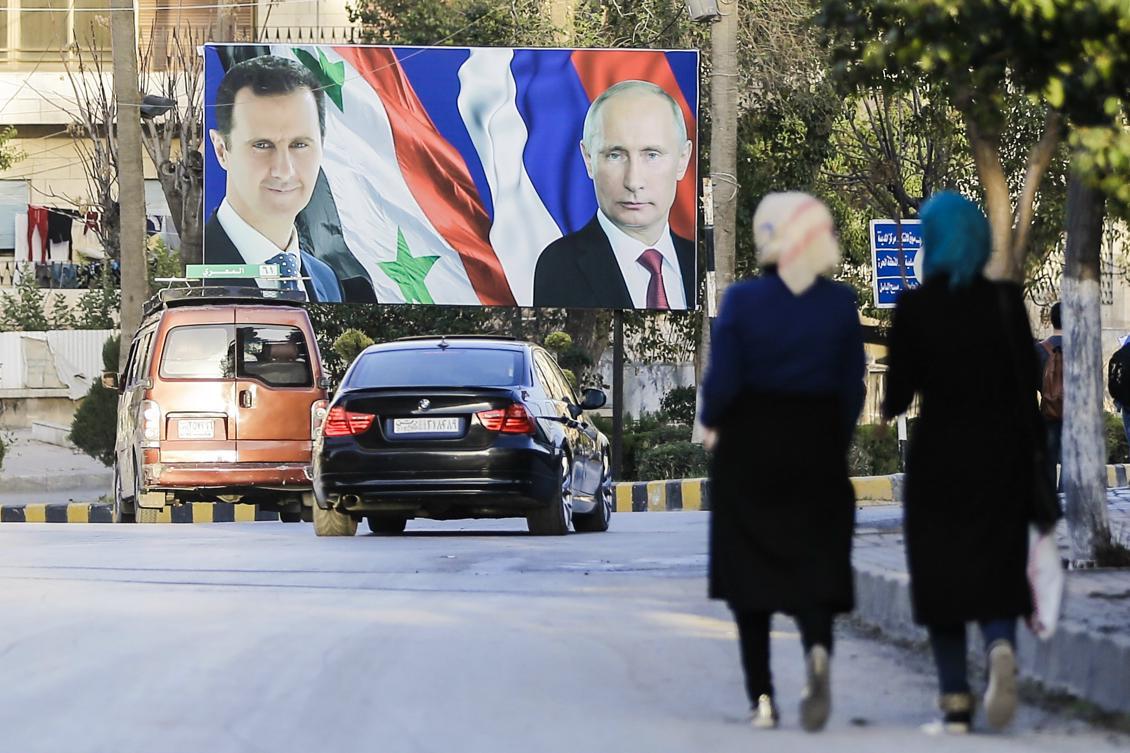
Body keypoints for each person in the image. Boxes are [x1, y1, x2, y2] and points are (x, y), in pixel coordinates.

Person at [699, 192, 865, 732]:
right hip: (817, 446)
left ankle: (763, 699)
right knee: (814, 563)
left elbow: (722, 386)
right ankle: (817, 651)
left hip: (749, 452)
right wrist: (831, 442)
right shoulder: (840, 304)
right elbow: (851, 389)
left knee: (750, 574)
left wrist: (717, 427)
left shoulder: (743, 302)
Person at [882, 191, 1039, 734]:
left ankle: (954, 697)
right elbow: (1029, 385)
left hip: (940, 461)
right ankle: (999, 643)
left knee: (942, 571)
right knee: (998, 564)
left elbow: (897, 395)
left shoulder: (916, 308)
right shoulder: (1005, 302)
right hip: (1003, 458)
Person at [533, 80, 694, 310]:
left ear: (682, 159)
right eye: (615, 155)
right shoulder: (558, 266)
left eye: (652, 155)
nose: (634, 182)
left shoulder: (700, 262)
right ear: (589, 159)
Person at [206, 55, 343, 302]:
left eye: (299, 145)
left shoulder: (326, 280)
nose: (283, 170)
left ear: (322, 147)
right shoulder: (194, 267)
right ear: (221, 151)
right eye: (262, 145)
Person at [1035, 302, 1063, 489]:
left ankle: (1052, 499)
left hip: (1048, 412)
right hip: (1075, 414)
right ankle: (1066, 496)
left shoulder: (1039, 349)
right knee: (1071, 458)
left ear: (1051, 320)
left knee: (1049, 458)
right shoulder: (1081, 348)